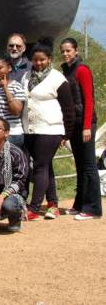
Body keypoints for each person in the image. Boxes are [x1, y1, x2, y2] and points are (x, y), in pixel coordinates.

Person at [21, 38, 75, 221]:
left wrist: (67, 134)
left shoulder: (58, 79)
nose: (38, 63)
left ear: (49, 59)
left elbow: (68, 108)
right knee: (46, 166)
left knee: (40, 166)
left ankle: (34, 207)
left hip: (50, 129)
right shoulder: (26, 77)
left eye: (42, 59)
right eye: (35, 60)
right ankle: (53, 204)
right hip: (30, 129)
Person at [60, 37, 102, 220]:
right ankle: (79, 204)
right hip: (74, 123)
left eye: (68, 50)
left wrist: (87, 126)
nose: (65, 54)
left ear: (76, 51)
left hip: (86, 123)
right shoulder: (67, 71)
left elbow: (89, 99)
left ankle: (93, 208)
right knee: (80, 165)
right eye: (63, 51)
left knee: (89, 165)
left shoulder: (82, 70)